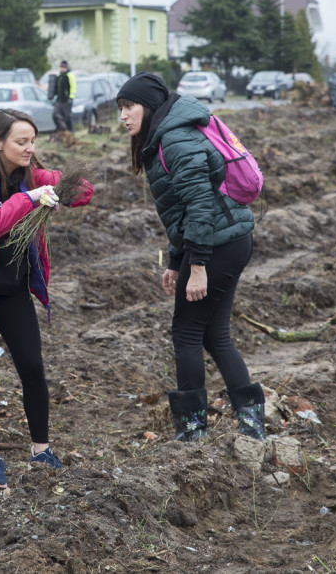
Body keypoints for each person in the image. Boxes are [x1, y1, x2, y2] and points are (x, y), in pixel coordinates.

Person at [0, 109, 93, 490]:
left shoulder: (28, 172)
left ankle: (41, 450)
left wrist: (60, 187)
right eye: (21, 142)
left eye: (32, 141)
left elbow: (84, 191)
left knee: (32, 366)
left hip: (13, 285)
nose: (30, 149)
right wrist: (31, 199)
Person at [116, 71, 266, 441]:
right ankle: (250, 426)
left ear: (149, 107)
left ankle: (193, 430)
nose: (123, 116)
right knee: (214, 334)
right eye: (119, 108)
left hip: (217, 244)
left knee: (186, 333)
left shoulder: (175, 139)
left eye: (129, 106)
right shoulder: (167, 135)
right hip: (226, 240)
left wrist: (195, 266)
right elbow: (181, 212)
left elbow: (199, 205)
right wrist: (175, 261)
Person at [48, 60, 76, 133]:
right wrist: (52, 95)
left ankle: (71, 132)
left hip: (67, 101)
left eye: (63, 67)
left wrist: (71, 97)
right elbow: (55, 88)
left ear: (66, 67)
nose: (62, 68)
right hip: (59, 100)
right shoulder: (59, 76)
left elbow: (73, 87)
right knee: (55, 115)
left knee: (67, 117)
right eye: (61, 67)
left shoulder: (70, 75)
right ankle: (62, 129)